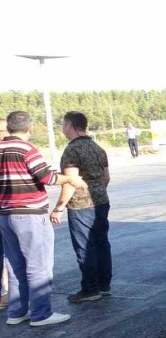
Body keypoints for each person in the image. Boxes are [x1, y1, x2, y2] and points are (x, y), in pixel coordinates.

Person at [1, 111, 87, 327]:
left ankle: (16, 311)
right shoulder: (26, 149)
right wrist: (71, 179)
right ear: (29, 128)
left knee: (15, 266)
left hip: (5, 215)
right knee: (38, 265)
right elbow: (47, 177)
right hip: (29, 215)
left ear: (9, 127)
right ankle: (41, 314)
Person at [51, 112, 113, 303]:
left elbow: (70, 182)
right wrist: (97, 192)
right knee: (102, 243)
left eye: (63, 125)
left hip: (80, 205)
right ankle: (104, 285)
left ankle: (90, 289)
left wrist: (59, 207)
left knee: (85, 247)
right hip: (101, 201)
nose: (62, 129)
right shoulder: (97, 147)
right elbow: (106, 178)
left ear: (70, 125)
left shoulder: (72, 151)